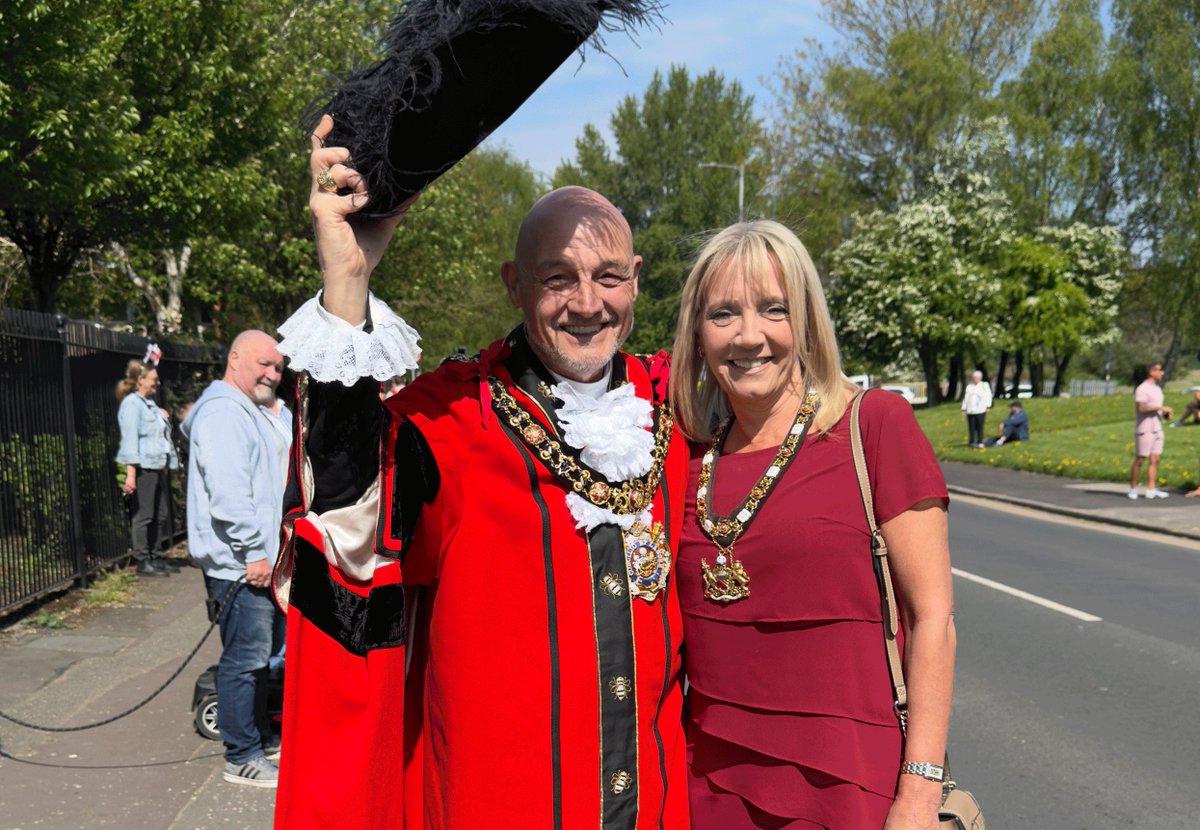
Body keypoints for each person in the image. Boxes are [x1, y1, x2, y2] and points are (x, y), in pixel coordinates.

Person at [269, 117, 689, 829]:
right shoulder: (457, 418)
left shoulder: (676, 406)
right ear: (514, 285)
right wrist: (348, 278)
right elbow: (344, 512)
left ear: (636, 280)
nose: (588, 303)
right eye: (557, 278)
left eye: (608, 276)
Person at [669, 221, 955, 829]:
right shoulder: (683, 461)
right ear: (696, 333)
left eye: (773, 309)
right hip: (707, 791)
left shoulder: (874, 425)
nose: (749, 336)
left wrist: (919, 794)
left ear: (805, 321)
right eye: (723, 314)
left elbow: (932, 619)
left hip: (852, 789)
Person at [181, 331, 290, 787]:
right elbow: (229, 494)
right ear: (235, 358)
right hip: (242, 564)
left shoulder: (252, 409)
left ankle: (258, 738)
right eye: (264, 364)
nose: (273, 374)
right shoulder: (224, 412)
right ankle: (241, 755)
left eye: (278, 368)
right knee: (245, 660)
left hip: (256, 560)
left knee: (260, 658)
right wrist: (254, 552)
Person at [115, 359, 179, 576]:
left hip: (157, 465)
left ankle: (155, 555)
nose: (157, 383)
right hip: (144, 467)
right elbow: (130, 440)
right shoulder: (132, 405)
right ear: (140, 380)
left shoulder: (148, 404)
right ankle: (143, 560)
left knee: (160, 514)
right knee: (144, 515)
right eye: (154, 379)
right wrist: (131, 474)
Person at [1129, 363, 1171, 499]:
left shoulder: (1157, 388)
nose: (1161, 373)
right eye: (1159, 370)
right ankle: (1132, 488)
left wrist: (1165, 413)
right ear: (1151, 372)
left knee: (1155, 459)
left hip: (1157, 428)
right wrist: (1160, 408)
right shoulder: (1142, 388)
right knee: (1140, 459)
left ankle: (1151, 489)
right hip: (1144, 429)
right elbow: (1141, 408)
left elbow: (1157, 408)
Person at [960, 370, 992, 448]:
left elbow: (988, 395)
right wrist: (963, 408)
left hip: (980, 409)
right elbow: (966, 398)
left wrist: (988, 406)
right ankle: (971, 442)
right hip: (970, 410)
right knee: (971, 427)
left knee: (979, 426)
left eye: (977, 377)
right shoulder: (969, 386)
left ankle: (980, 441)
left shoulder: (984, 385)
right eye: (974, 377)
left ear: (980, 378)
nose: (975, 379)